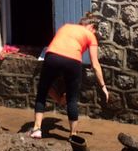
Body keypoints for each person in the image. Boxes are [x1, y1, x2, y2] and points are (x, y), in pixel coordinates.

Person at [29, 11, 109, 139]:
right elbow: (95, 64)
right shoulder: (90, 35)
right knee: (72, 98)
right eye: (95, 31)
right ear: (91, 27)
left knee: (42, 91)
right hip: (73, 61)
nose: (94, 34)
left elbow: (59, 46)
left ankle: (37, 129)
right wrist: (103, 86)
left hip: (52, 56)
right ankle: (73, 134)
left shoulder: (65, 27)